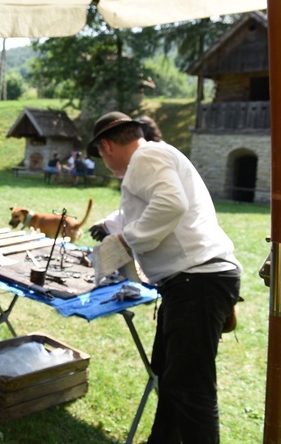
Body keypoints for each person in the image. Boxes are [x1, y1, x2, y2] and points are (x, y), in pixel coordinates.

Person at [86, 111, 241, 443]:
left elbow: (171, 204)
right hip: (188, 283)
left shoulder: (147, 155)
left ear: (107, 145)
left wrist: (128, 240)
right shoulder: (153, 157)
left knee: (191, 390)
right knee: (170, 380)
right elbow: (144, 211)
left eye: (100, 153)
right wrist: (116, 229)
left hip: (197, 281)